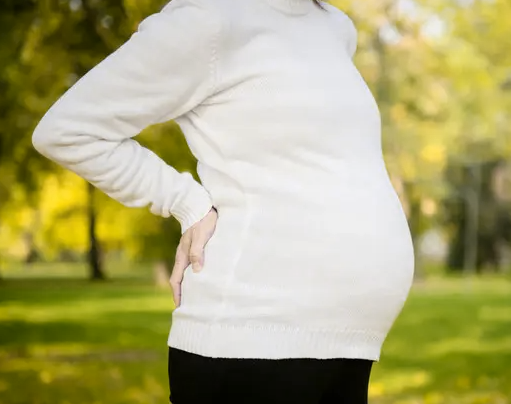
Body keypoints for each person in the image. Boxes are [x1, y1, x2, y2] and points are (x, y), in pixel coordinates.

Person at [32, 0, 415, 402]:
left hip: (346, 348)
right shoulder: (208, 18)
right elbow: (68, 129)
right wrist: (186, 202)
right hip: (251, 345)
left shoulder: (335, 28)